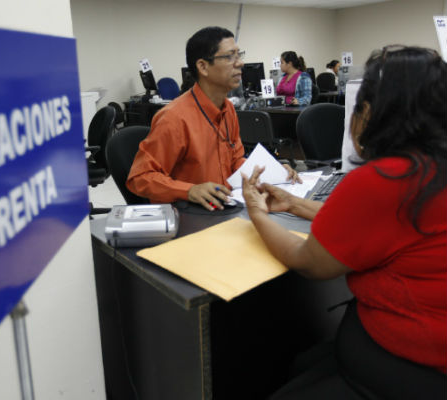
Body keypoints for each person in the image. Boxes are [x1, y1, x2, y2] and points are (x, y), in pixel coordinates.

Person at [242, 46, 446, 398]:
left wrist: (256, 212)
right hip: (427, 355)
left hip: (410, 362)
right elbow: (381, 230)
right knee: (303, 364)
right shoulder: (430, 170)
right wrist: (294, 203)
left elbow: (308, 260)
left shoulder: (385, 179)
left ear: (369, 112)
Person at [126, 27, 299, 211]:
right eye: (230, 56)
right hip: (191, 215)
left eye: (239, 54)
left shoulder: (228, 109)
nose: (240, 63)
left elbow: (235, 161)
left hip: (225, 207)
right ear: (203, 67)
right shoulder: (174, 118)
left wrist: (272, 172)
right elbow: (140, 177)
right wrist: (190, 190)